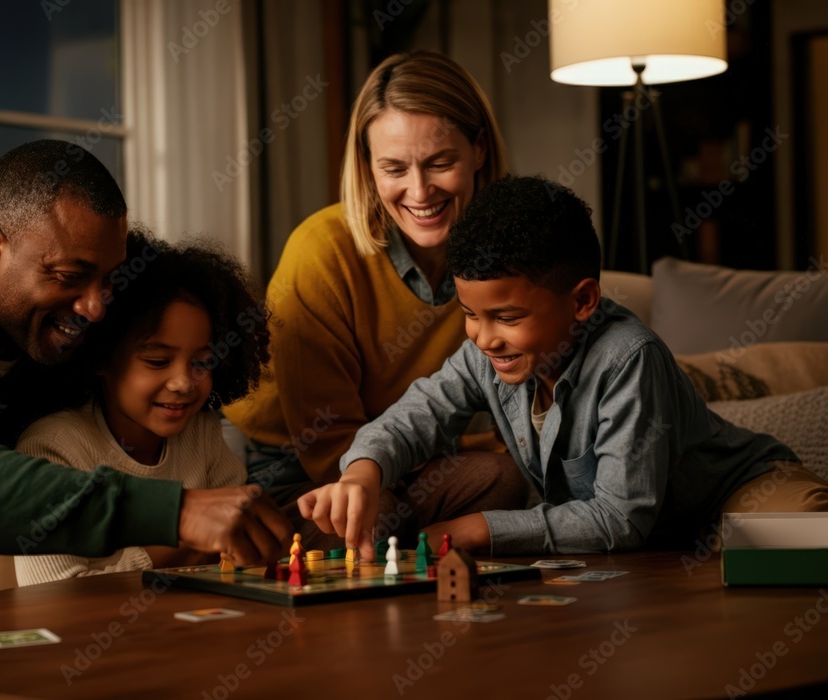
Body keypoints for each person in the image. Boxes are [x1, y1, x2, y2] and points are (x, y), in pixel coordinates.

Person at [0, 140, 291, 666]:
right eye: (70, 277)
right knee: (21, 572)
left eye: (109, 278)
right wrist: (177, 511)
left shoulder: (51, 337)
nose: (95, 307)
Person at [299, 175, 828, 559]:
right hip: (653, 534)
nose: (484, 337)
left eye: (506, 317)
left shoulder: (629, 359)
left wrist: (480, 529)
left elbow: (619, 517)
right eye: (469, 315)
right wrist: (364, 471)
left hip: (736, 495)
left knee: (797, 540)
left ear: (582, 301)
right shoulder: (490, 353)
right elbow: (421, 411)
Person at [223, 51, 531, 547]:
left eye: (441, 163)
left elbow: (528, 425)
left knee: (504, 478)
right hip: (295, 462)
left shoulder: (508, 251)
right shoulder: (322, 250)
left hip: (406, 452)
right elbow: (328, 450)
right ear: (367, 166)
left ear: (478, 150)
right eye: (394, 168)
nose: (419, 191)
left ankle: (416, 561)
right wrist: (470, 443)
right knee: (374, 510)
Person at [14, 232, 270, 585]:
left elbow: (238, 541)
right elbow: (55, 591)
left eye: (202, 362)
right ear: (100, 356)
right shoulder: (52, 447)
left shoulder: (202, 433)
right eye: (157, 360)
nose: (184, 382)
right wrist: (182, 542)